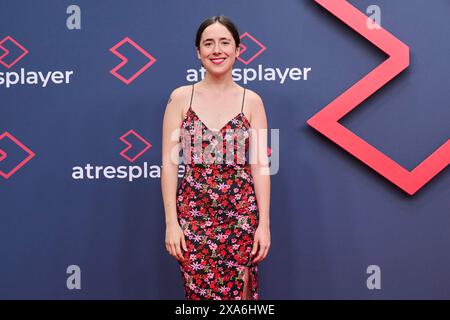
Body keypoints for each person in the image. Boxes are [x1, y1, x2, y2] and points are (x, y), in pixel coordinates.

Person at [161, 14, 270, 300]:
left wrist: (264, 225)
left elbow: (259, 165)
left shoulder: (252, 101)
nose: (216, 50)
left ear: (238, 50)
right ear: (198, 52)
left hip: (241, 216)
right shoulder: (181, 98)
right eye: (208, 43)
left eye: (224, 42)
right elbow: (170, 164)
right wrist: (172, 223)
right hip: (194, 216)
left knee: (240, 298)